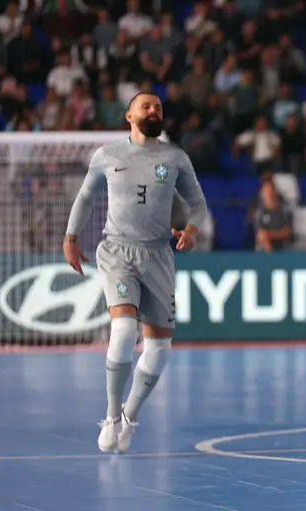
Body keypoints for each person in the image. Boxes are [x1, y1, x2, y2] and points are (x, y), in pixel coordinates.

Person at [63, 92, 208, 454]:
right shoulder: (107, 155)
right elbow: (84, 197)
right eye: (146, 106)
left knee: (159, 351)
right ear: (129, 115)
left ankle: (129, 416)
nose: (153, 110)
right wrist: (70, 236)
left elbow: (198, 204)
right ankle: (111, 416)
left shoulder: (175, 158)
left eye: (158, 107)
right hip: (117, 250)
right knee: (124, 328)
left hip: (158, 254)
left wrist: (190, 230)